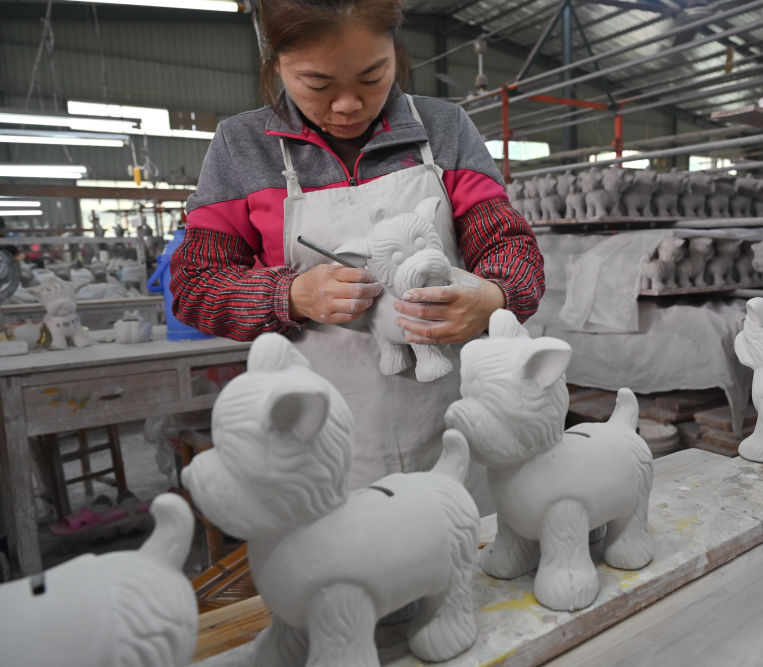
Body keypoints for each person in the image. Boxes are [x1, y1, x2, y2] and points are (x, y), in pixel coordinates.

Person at [170, 0, 545, 507]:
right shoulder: (242, 148)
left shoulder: (445, 128)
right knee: (349, 547)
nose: (348, 104)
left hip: (458, 420)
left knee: (464, 538)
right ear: (276, 63)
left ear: (396, 51)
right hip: (324, 434)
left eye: (373, 77)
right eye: (318, 84)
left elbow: (509, 246)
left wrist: (492, 298)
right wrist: (293, 295)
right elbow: (195, 284)